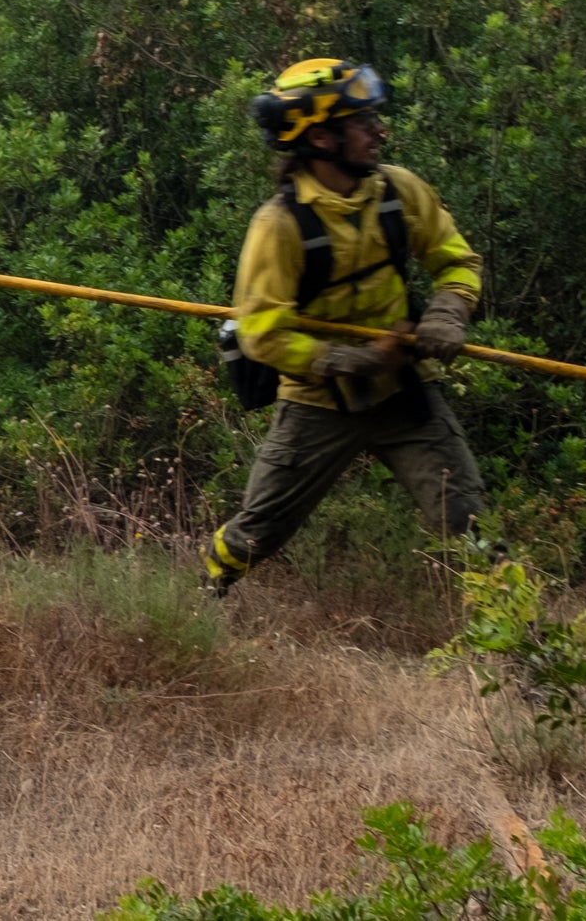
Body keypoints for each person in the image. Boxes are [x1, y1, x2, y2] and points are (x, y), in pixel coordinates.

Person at [202, 57, 487, 597]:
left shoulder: (399, 193)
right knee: (256, 534)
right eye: (364, 123)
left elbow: (457, 261)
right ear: (324, 139)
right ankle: (206, 595)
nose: (380, 132)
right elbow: (262, 331)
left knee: (469, 524)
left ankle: (525, 654)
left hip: (404, 393)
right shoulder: (279, 225)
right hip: (317, 403)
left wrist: (448, 312)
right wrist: (348, 359)